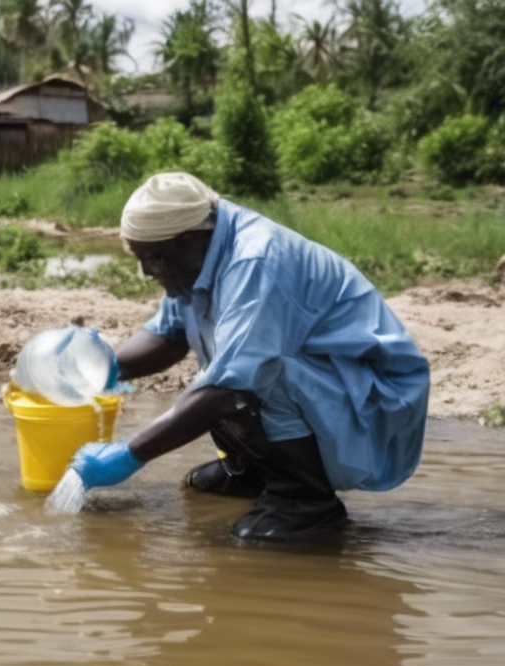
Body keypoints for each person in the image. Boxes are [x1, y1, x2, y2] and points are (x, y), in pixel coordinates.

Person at [69, 172, 430, 543]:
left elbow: (229, 386)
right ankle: (254, 473)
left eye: (154, 258)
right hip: (327, 384)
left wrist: (130, 455)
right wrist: (103, 366)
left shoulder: (255, 260)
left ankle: (305, 501)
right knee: (228, 374)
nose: (147, 272)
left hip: (373, 402)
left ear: (189, 239)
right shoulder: (198, 253)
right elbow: (168, 336)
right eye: (141, 258)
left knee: (242, 381)